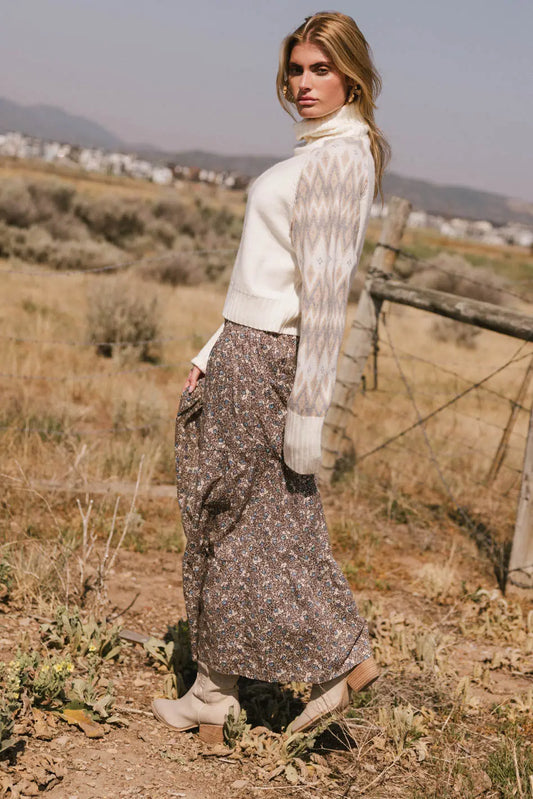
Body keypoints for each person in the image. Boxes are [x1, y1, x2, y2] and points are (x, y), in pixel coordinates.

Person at [152, 10, 391, 742]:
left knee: (262, 522)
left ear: (350, 74)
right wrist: (210, 348)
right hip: (243, 350)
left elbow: (323, 302)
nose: (304, 83)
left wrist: (306, 413)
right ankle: (214, 690)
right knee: (234, 516)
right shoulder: (320, 152)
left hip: (266, 361)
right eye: (295, 69)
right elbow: (267, 278)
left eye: (320, 68)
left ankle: (339, 661)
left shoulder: (337, 160)